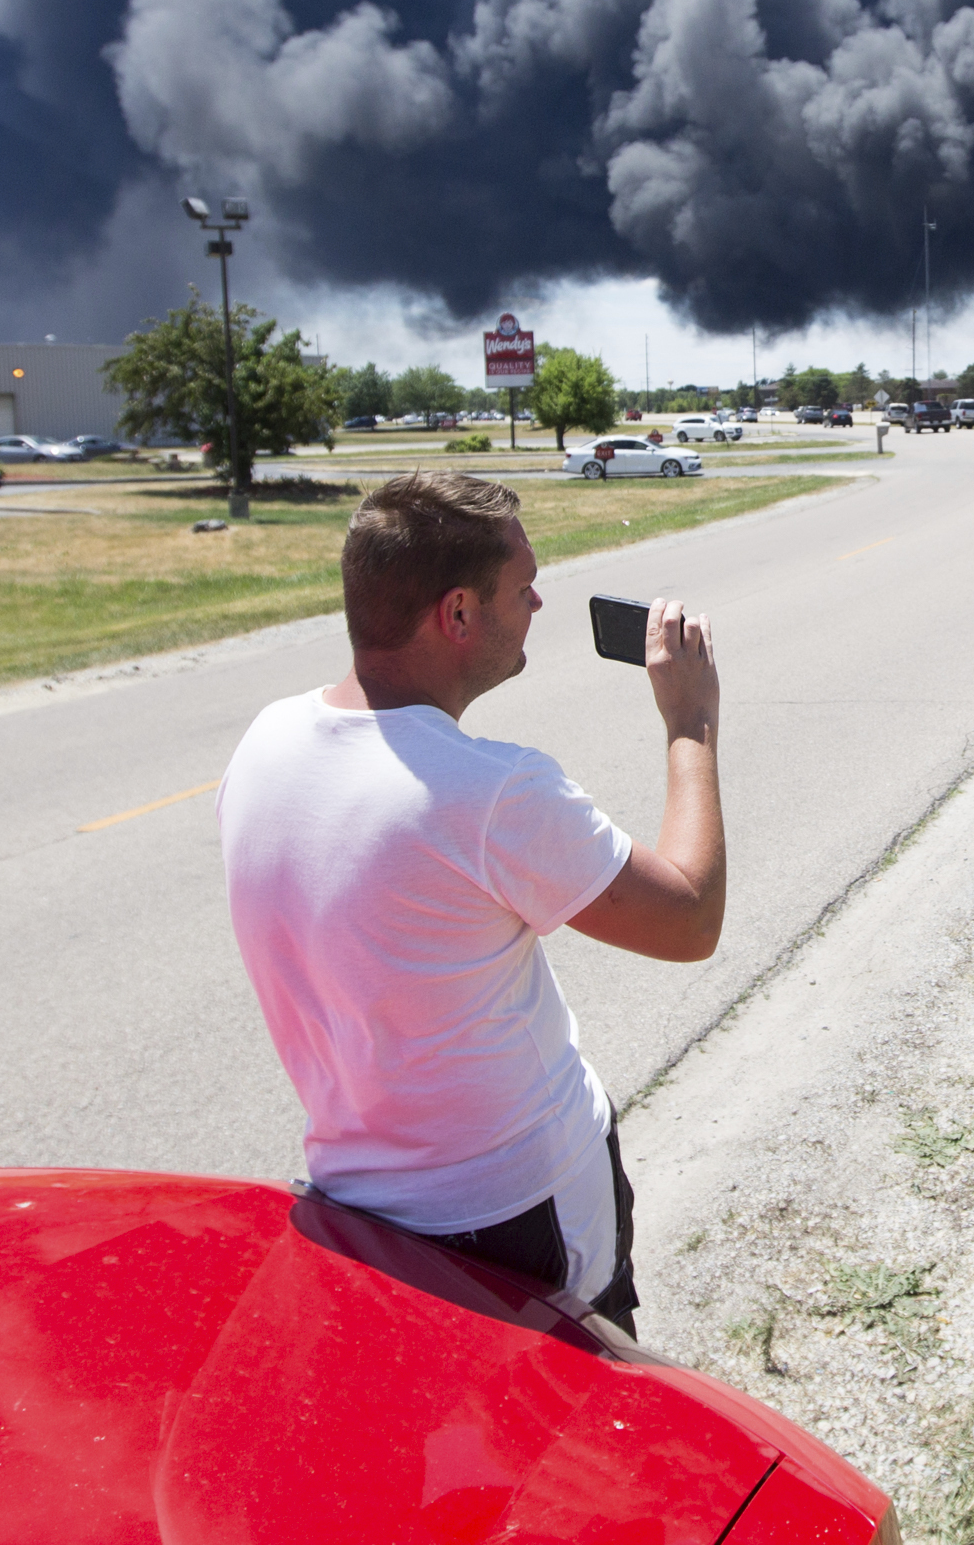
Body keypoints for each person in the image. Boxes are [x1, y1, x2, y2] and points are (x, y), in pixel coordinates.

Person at [217, 470, 724, 1337]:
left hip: (359, 1214)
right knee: (578, 1412)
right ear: (457, 613)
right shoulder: (489, 792)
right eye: (522, 587)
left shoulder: (267, 739)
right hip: (516, 1219)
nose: (538, 603)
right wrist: (691, 723)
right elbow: (689, 920)